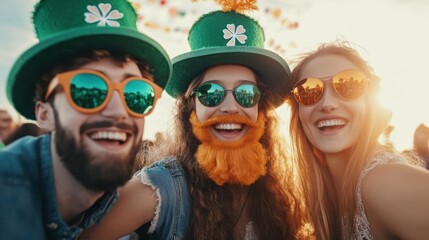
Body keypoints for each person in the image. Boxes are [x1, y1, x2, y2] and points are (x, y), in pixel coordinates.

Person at [81, 1, 308, 239]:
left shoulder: (277, 192)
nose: (231, 107)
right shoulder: (161, 186)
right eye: (211, 93)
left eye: (246, 94)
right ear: (191, 108)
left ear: (260, 108)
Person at [0, 0, 171, 239]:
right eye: (87, 88)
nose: (118, 111)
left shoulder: (109, 208)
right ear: (44, 114)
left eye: (135, 94)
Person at [286, 41, 429, 239]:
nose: (327, 104)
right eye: (308, 90)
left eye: (349, 84)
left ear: (369, 103)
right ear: (298, 113)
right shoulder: (323, 199)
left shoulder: (384, 182)